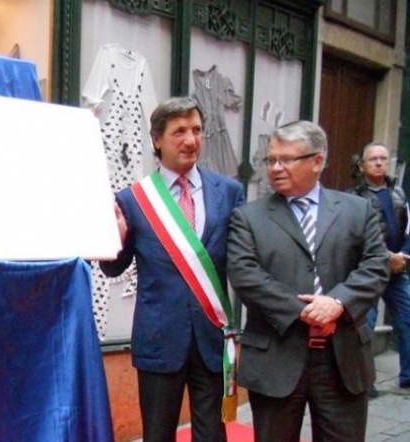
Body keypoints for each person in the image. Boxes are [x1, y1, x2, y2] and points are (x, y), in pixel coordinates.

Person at [227, 121, 389, 441]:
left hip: (342, 359)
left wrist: (338, 303)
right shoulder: (249, 217)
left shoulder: (358, 210)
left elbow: (376, 265)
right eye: (271, 159)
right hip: (276, 357)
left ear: (317, 161)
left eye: (286, 159)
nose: (275, 168)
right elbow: (245, 274)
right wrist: (304, 311)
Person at [100, 96, 245, 442]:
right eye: (179, 132)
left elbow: (242, 261)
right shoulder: (133, 199)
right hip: (159, 340)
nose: (191, 140)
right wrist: (116, 239)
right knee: (158, 434)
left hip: (211, 337)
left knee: (212, 435)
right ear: (157, 140)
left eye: (197, 130)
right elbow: (112, 268)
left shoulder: (228, 192)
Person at [348, 142, 410, 392]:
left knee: (407, 318)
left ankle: (408, 377)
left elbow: (408, 227)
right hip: (368, 270)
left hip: (397, 270)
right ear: (362, 165)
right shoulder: (354, 198)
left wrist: (403, 256)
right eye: (373, 159)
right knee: (365, 326)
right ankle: (364, 383)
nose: (379, 163)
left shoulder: (398, 193)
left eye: (383, 158)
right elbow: (356, 237)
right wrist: (387, 258)